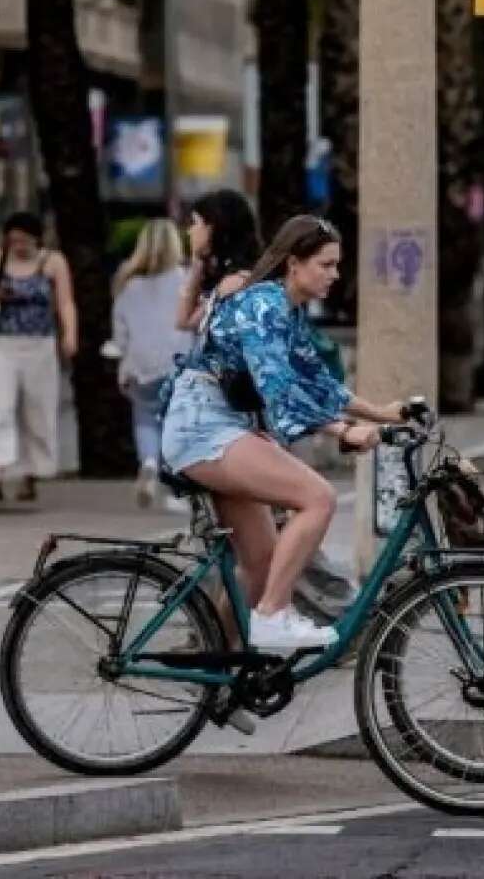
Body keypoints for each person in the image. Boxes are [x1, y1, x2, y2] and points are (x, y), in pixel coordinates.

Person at [160, 216, 412, 651]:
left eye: (337, 265)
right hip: (203, 426)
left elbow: (314, 378)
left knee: (259, 562)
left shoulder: (287, 309)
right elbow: (277, 386)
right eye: (326, 264)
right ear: (294, 263)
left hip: (223, 426)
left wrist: (383, 413)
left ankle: (216, 668)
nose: (335, 275)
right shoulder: (263, 305)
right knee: (318, 498)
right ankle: (273, 615)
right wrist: (343, 431)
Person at [0, 212, 77, 503]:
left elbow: (65, 302)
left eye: (24, 240)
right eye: (13, 239)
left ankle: (33, 473)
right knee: (0, 408)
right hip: (2, 344)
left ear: (36, 238)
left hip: (40, 343)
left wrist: (69, 335)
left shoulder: (52, 262)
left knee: (38, 409)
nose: (18, 245)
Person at [113, 218, 192, 508]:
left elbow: (120, 333)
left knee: (145, 419)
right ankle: (174, 488)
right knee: (176, 426)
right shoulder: (185, 280)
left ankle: (148, 462)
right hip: (177, 362)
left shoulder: (128, 284)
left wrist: (125, 359)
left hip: (140, 363)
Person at [178, 189, 261, 332]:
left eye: (195, 223)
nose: (190, 231)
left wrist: (196, 262)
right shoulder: (229, 273)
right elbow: (183, 322)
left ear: (212, 228)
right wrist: (197, 263)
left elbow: (186, 322)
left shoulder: (235, 282)